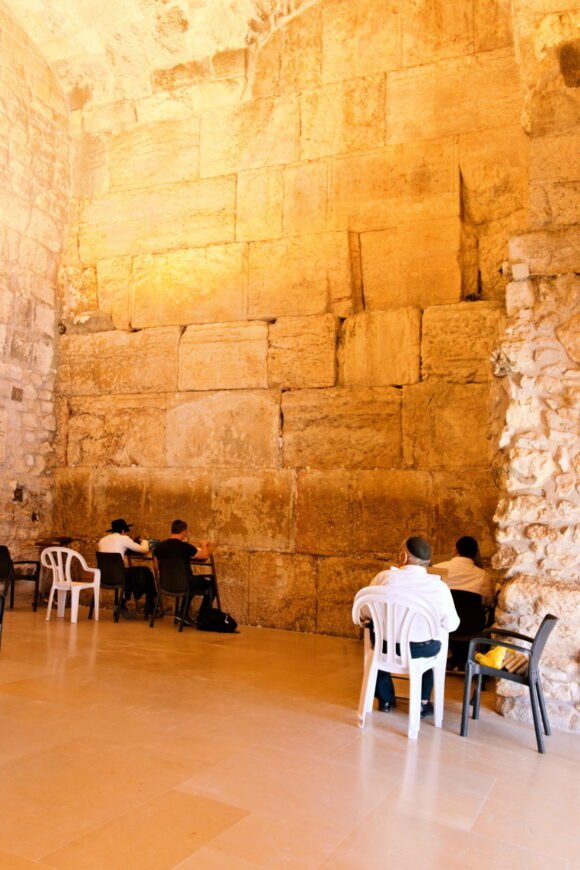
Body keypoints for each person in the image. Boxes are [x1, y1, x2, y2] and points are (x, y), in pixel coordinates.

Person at [368, 536, 459, 717]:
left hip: (386, 647)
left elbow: (365, 610)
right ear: (427, 563)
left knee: (376, 634)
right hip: (420, 650)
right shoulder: (439, 587)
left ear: (402, 557)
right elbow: (452, 624)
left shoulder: (384, 578)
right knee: (436, 642)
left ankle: (385, 699)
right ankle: (422, 701)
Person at [153, 520, 215, 627]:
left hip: (165, 585)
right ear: (183, 532)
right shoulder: (185, 547)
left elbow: (156, 567)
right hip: (185, 584)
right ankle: (202, 617)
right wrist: (204, 545)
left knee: (189, 581)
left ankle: (183, 613)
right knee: (210, 584)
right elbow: (204, 556)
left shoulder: (159, 547)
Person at [97, 518, 154, 618]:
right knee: (145, 571)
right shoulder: (124, 539)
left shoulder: (102, 541)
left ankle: (122, 602)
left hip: (104, 577)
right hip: (119, 576)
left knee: (130, 574)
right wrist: (144, 541)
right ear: (123, 531)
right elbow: (144, 549)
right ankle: (150, 605)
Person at [433, 536, 494, 605]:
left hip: (442, 615)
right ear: (476, 554)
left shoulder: (437, 569)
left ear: (455, 550)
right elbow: (489, 602)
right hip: (471, 615)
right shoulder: (482, 575)